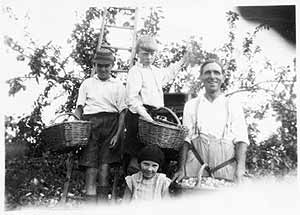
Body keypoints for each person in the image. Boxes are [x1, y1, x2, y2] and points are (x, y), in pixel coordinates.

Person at [172, 59, 249, 183]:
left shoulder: (232, 105)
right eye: (207, 73)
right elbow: (185, 140)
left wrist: (240, 170)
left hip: (225, 167)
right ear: (201, 77)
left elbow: (241, 140)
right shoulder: (191, 105)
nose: (212, 76)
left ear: (223, 77)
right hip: (195, 167)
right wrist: (181, 169)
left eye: (216, 73)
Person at [124, 35, 188, 175]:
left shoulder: (155, 71)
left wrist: (184, 59)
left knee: (153, 157)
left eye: (152, 54)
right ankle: (132, 189)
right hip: (139, 117)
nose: (149, 57)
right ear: (137, 53)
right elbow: (131, 99)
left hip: (154, 117)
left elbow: (169, 73)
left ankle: (152, 190)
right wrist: (145, 116)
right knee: (137, 158)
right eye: (145, 54)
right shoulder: (135, 71)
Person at [74, 48, 127, 203]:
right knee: (91, 168)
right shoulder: (87, 83)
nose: (103, 69)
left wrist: (118, 134)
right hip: (90, 126)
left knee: (104, 169)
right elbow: (79, 109)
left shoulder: (118, 85)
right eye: (99, 65)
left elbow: (123, 113)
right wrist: (75, 127)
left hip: (111, 126)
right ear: (94, 65)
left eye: (106, 66)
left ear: (112, 66)